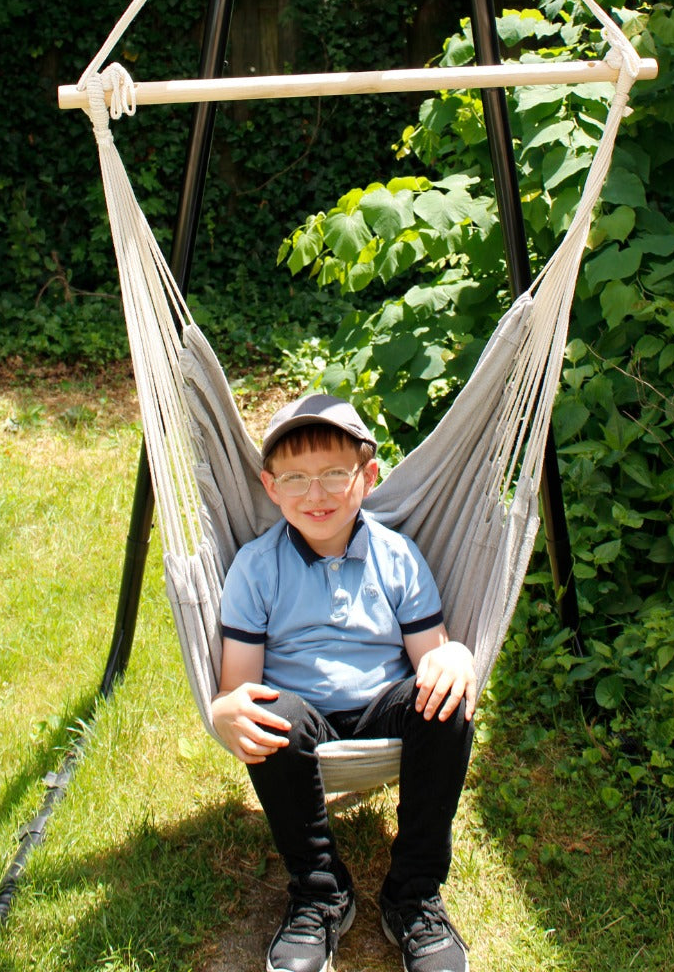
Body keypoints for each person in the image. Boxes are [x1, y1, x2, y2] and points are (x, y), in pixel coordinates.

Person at [213, 393, 476, 972]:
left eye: (336, 474)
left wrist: (454, 655)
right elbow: (239, 687)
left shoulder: (398, 557)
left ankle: (413, 895)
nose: (317, 494)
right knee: (266, 712)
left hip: (382, 706)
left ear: (368, 476)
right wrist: (223, 711)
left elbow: (430, 663)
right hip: (301, 719)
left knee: (448, 704)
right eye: (296, 479)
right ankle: (319, 891)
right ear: (270, 487)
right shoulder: (256, 567)